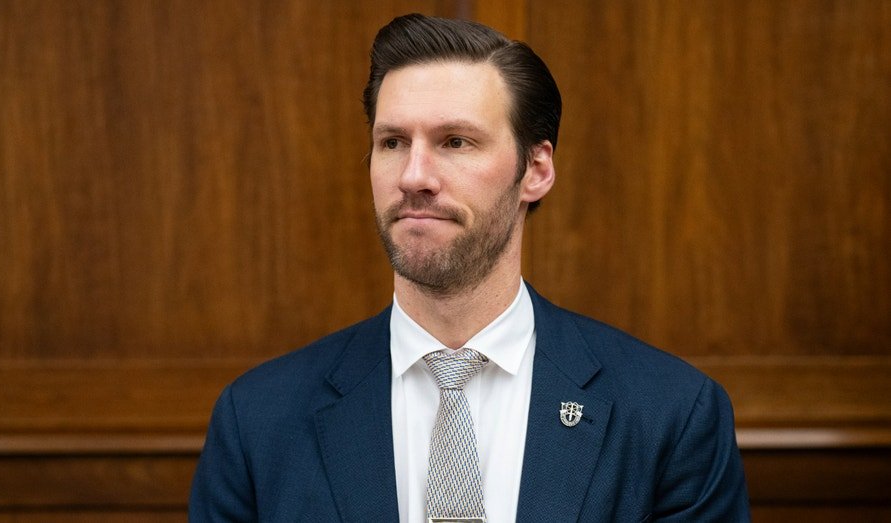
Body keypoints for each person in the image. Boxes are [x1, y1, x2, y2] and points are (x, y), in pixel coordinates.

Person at [189, 13, 750, 522]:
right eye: (392, 142)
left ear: (536, 168)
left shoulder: (670, 416)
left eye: (455, 141)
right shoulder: (257, 422)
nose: (414, 176)